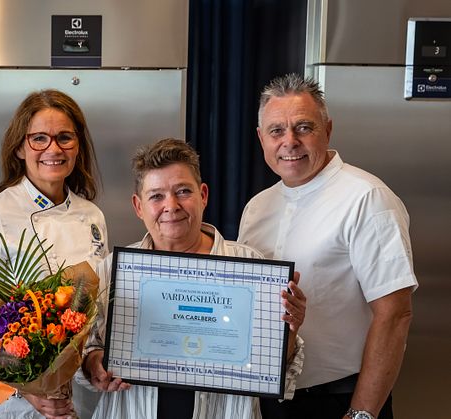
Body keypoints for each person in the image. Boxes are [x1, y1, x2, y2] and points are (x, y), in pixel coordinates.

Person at [82, 138, 307, 419]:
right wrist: (95, 364)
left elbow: (273, 370)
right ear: (138, 206)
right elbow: (88, 347)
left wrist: (290, 329)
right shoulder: (109, 271)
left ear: (203, 195)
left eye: (183, 191)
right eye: (156, 196)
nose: (171, 205)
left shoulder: (250, 267)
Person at [237, 74, 418, 419]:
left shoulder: (367, 198)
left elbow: (395, 314)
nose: (289, 141)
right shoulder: (257, 207)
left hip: (339, 400)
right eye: (276, 131)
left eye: (303, 127)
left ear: (328, 129)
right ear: (261, 138)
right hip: (270, 400)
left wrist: (361, 413)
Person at [0, 89, 108, 419]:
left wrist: (94, 357)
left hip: (71, 401)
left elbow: (98, 309)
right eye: (39, 138)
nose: (53, 148)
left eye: (65, 137)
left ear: (78, 146)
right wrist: (28, 387)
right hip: (1, 404)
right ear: (20, 147)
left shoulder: (92, 217)